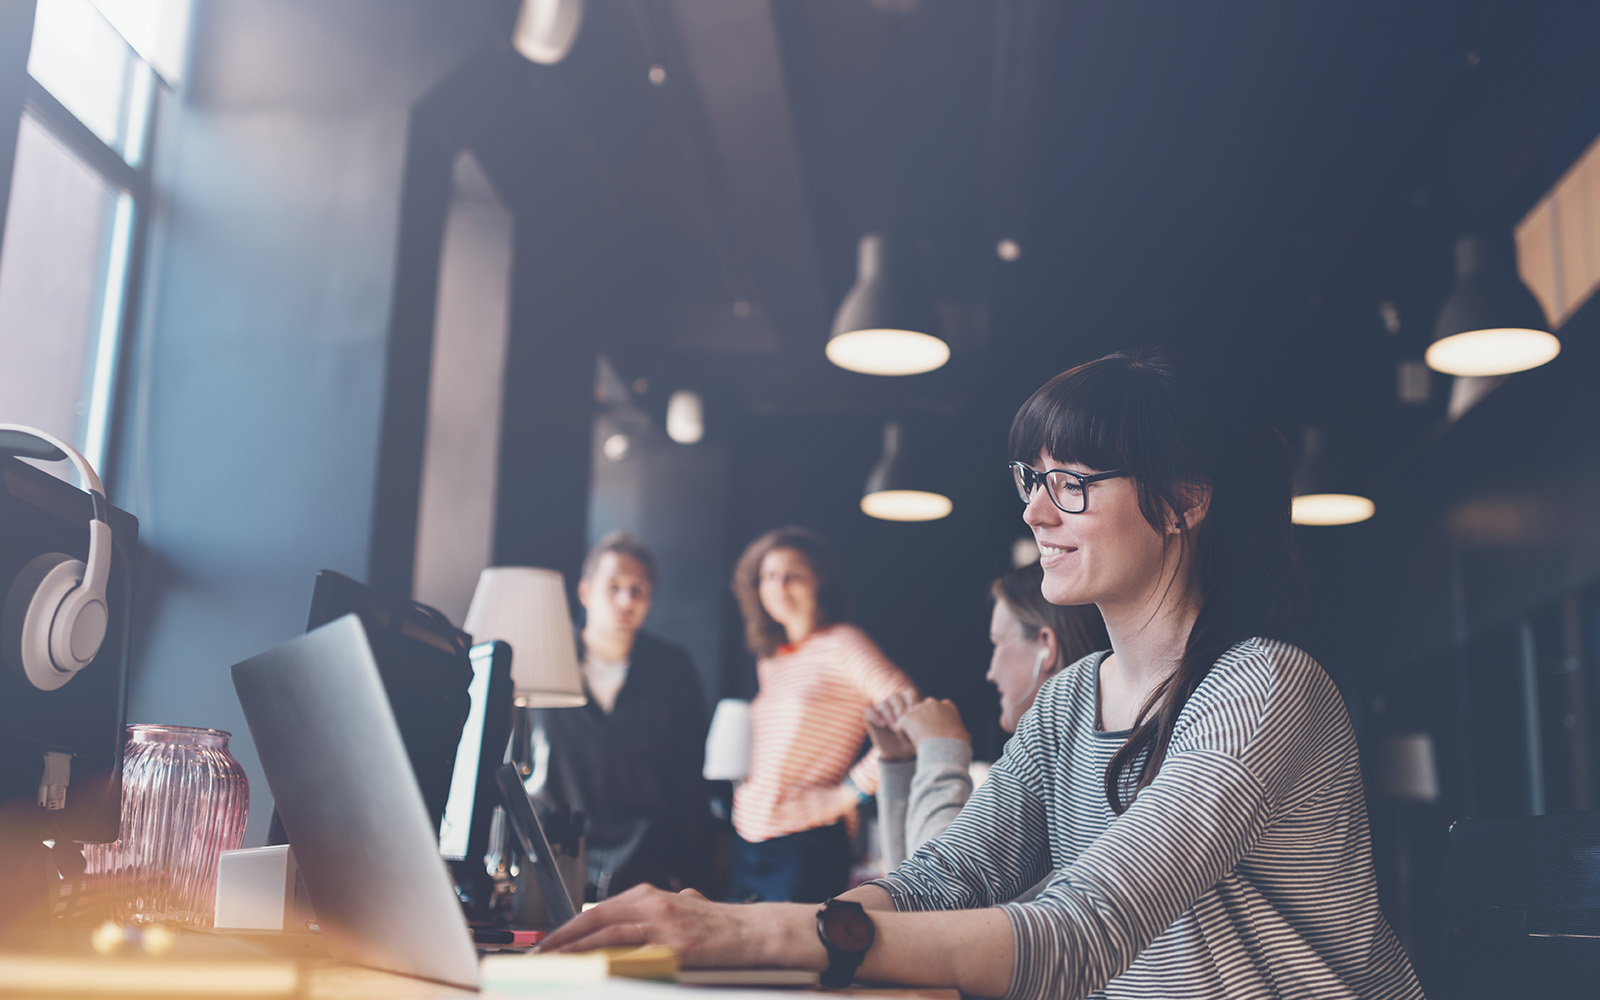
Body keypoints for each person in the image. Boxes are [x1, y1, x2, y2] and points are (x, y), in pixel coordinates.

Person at [543, 352, 1423, 1000]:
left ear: (1186, 501)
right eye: (1032, 479)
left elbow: (1080, 932)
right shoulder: (1076, 695)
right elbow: (942, 880)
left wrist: (752, 930)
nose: (1037, 510)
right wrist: (746, 929)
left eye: (1073, 482)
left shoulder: (1263, 687)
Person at [866, 561, 1108, 872]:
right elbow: (910, 893)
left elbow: (944, 894)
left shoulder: (1070, 776)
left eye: (997, 644)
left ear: (1045, 646)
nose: (990, 673)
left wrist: (941, 748)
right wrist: (901, 768)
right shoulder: (1046, 761)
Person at [723, 526, 917, 903]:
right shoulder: (773, 658)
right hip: (748, 840)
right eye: (768, 577)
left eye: (793, 575)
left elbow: (912, 712)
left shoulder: (843, 644)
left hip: (805, 842)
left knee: (793, 962)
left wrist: (850, 793)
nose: (779, 586)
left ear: (820, 582)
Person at [531, 532, 710, 901]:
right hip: (553, 860)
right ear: (585, 592)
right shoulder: (545, 658)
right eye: (613, 586)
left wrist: (696, 881)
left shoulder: (674, 670)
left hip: (647, 869)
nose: (626, 599)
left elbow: (690, 781)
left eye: (638, 589)